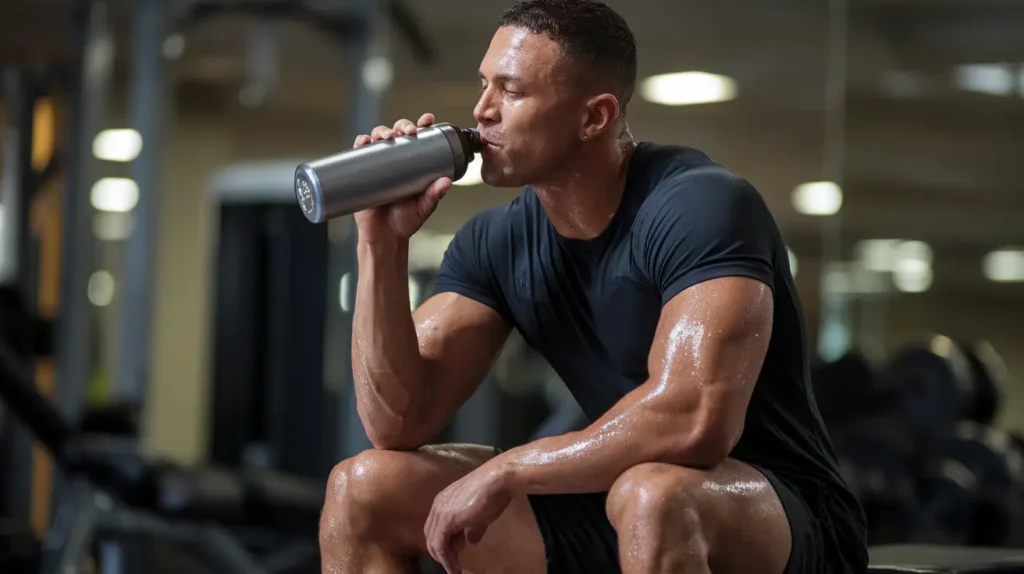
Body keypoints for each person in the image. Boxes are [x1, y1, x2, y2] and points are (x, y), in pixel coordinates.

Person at [319, 0, 868, 573]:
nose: (483, 111)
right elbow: (397, 421)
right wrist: (380, 246)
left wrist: (508, 468)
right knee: (364, 488)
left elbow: (693, 422)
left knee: (656, 495)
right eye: (484, 85)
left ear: (594, 117)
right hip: (614, 503)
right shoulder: (498, 240)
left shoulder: (700, 205)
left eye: (512, 91)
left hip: (778, 514)